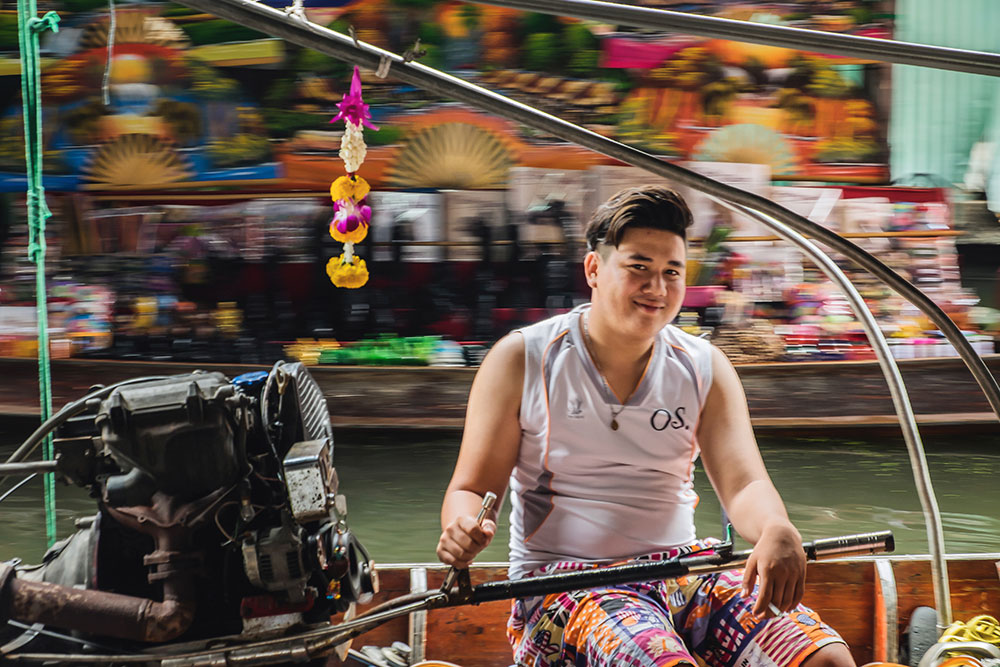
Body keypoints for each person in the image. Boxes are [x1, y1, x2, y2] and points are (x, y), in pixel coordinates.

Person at [436, 185, 856, 667]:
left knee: (827, 660)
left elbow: (744, 485)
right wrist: (462, 526)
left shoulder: (704, 366)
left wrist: (776, 527)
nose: (656, 288)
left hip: (687, 572)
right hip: (563, 588)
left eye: (671, 272)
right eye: (639, 268)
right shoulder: (523, 358)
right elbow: (470, 488)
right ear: (594, 269)